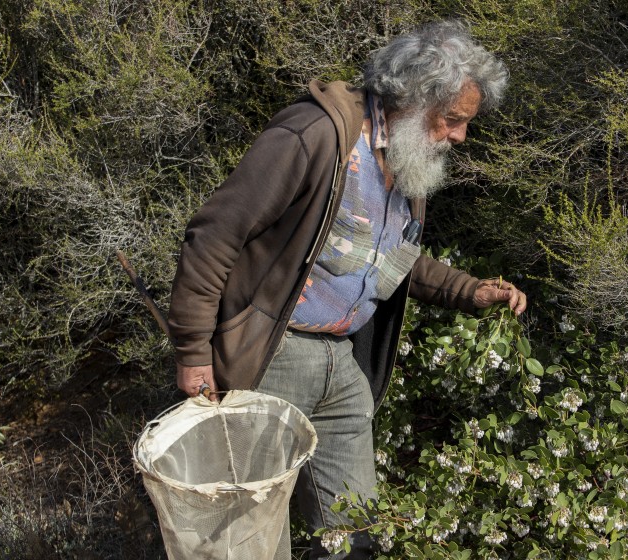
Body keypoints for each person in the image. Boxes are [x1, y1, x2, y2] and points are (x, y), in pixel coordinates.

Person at [168, 20, 527, 559]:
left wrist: (470, 292)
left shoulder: (406, 158)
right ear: (412, 96)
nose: (459, 136)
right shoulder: (315, 135)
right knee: (252, 537)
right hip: (273, 357)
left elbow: (393, 257)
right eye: (452, 119)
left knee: (355, 534)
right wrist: (195, 352)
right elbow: (215, 237)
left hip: (343, 366)